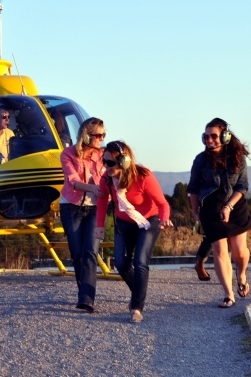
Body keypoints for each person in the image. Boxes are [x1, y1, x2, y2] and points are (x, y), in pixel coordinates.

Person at [94, 141, 173, 323]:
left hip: (148, 221)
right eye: (104, 162)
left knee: (140, 262)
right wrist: (100, 226)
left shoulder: (143, 176)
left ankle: (136, 307)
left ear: (125, 161)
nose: (106, 167)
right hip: (124, 222)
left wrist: (165, 218)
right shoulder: (107, 179)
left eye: (111, 163)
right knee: (121, 264)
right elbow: (102, 202)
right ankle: (138, 292)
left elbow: (162, 204)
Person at [187, 117, 251, 308]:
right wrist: (195, 213)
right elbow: (192, 189)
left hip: (235, 204)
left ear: (225, 136)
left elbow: (242, 186)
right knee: (219, 250)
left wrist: (229, 206)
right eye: (206, 137)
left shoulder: (238, 157)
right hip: (211, 207)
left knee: (240, 251)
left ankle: (241, 275)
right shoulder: (200, 160)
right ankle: (228, 294)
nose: (209, 140)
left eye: (214, 136)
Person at [59, 117, 106, 313]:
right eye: (98, 135)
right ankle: (83, 292)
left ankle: (87, 299)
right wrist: (93, 188)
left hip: (95, 208)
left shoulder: (104, 155)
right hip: (71, 206)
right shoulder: (68, 154)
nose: (101, 139)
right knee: (77, 253)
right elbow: (73, 181)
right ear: (86, 136)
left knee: (90, 252)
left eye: (104, 135)